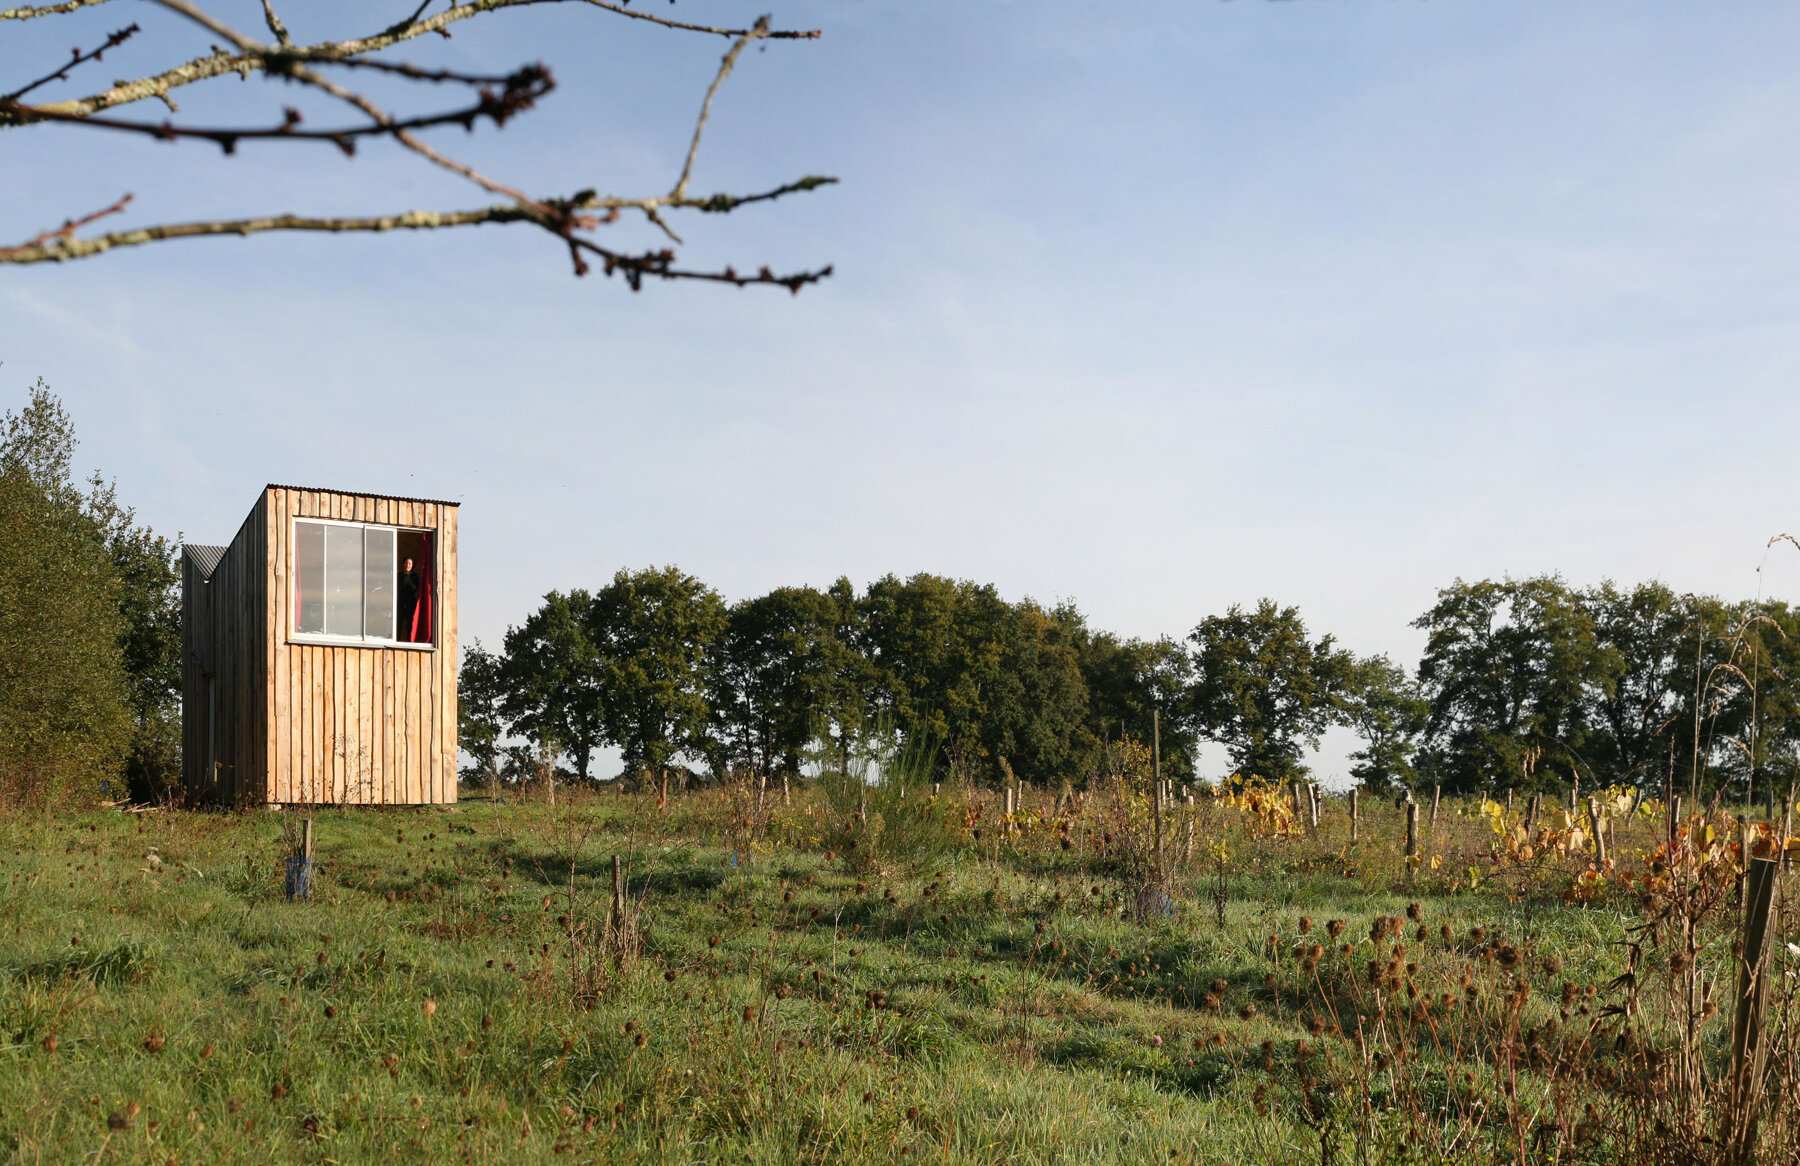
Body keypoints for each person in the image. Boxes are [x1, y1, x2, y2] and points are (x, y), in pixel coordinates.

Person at [397, 556, 420, 640]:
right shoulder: (399, 575)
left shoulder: (414, 576)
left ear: (412, 565)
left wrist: (407, 576)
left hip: (410, 603)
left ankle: (409, 641)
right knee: (398, 623)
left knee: (409, 624)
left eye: (410, 564)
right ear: (403, 564)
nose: (408, 565)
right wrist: (404, 576)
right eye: (406, 563)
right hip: (400, 602)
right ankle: (397, 639)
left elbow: (415, 589)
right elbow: (400, 587)